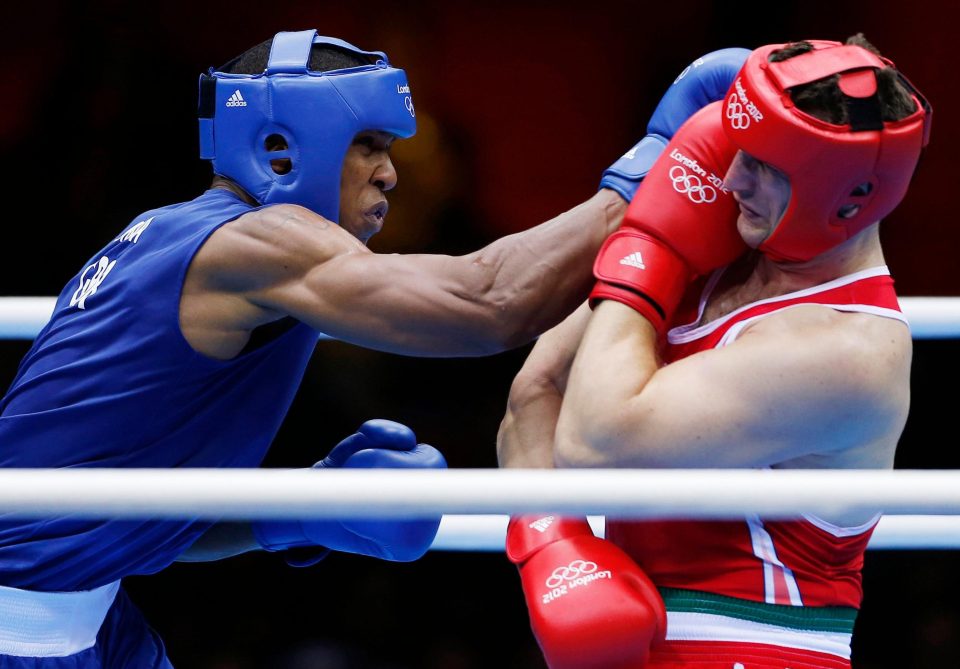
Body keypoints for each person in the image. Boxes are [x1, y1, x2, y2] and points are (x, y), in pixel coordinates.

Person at [0, 28, 744, 668]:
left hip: (86, 609)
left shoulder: (175, 239)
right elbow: (487, 302)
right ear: (280, 150)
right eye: (367, 146)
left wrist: (298, 515)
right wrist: (650, 171)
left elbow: (110, 522)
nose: (390, 172)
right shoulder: (253, 243)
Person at [499, 34, 931, 668]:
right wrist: (553, 546)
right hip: (629, 645)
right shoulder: (711, 261)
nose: (729, 178)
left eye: (762, 166)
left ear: (848, 196)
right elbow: (534, 394)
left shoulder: (848, 348)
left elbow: (596, 444)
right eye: (736, 152)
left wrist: (651, 243)